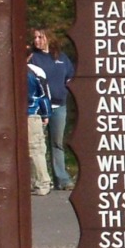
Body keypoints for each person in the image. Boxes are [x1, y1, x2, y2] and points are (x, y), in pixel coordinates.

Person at [29, 28, 76, 191]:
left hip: (59, 106)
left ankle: (62, 178)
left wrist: (66, 88)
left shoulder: (61, 58)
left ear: (49, 38)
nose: (37, 40)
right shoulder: (33, 59)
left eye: (40, 37)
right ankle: (40, 179)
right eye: (35, 37)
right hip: (39, 108)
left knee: (57, 143)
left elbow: (70, 75)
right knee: (37, 145)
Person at [26, 50, 53, 196]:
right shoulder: (34, 73)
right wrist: (46, 113)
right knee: (36, 150)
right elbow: (43, 95)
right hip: (31, 114)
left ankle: (31, 181)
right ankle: (42, 182)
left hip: (14, 117)